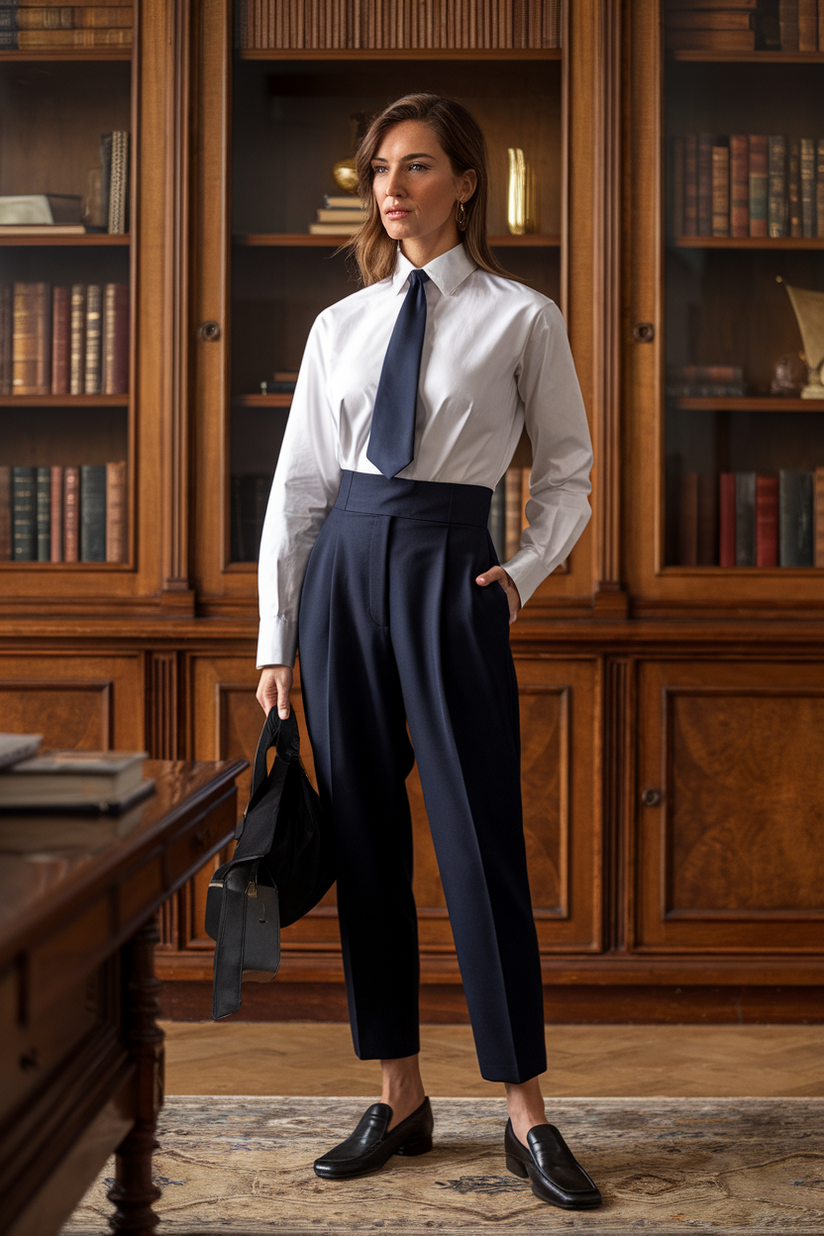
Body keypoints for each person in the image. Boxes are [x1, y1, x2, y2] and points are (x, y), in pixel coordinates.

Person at [255, 92, 600, 1211]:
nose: (390, 189)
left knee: (476, 840)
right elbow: (299, 490)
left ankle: (525, 1113)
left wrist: (524, 575)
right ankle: (398, 1093)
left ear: (463, 182)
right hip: (345, 573)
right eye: (377, 171)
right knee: (361, 837)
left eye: (414, 168)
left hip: (452, 572)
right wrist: (278, 635)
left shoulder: (521, 317)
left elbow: (568, 474)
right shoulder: (338, 327)